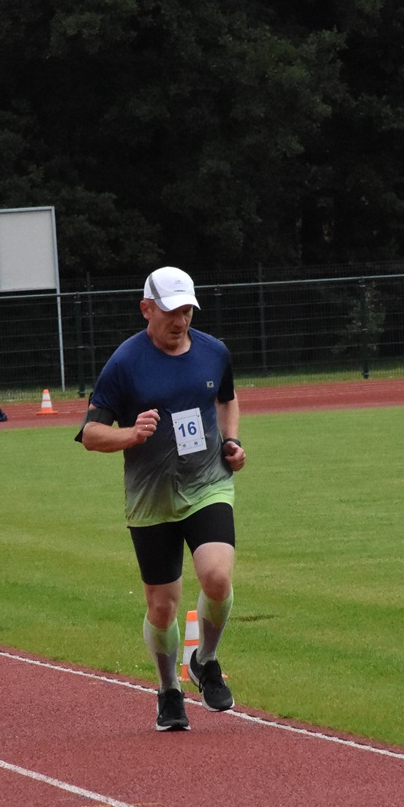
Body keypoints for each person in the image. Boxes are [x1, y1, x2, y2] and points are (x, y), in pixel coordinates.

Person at [77, 266, 246, 731]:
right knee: (162, 606)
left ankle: (205, 661)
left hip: (207, 484)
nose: (181, 320)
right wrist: (131, 434)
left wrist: (232, 441)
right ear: (146, 309)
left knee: (217, 577)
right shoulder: (125, 363)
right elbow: (90, 434)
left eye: (188, 310)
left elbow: (227, 398)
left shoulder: (213, 352)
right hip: (151, 499)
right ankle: (169, 689)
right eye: (172, 311)